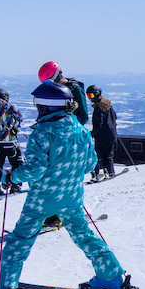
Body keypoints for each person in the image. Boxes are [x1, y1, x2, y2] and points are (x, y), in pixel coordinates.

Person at [0, 81, 139, 289]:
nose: (37, 110)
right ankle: (112, 277)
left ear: (46, 107)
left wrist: (10, 177)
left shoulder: (42, 133)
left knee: (19, 242)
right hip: (72, 196)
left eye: (38, 106)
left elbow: (35, 170)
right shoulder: (80, 130)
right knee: (83, 234)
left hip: (42, 199)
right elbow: (90, 164)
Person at [37, 61, 88, 230]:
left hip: (70, 140)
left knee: (65, 178)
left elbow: (83, 116)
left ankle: (63, 214)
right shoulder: (55, 91)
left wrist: (68, 126)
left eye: (49, 82)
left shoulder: (75, 90)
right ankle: (53, 215)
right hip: (56, 138)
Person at [87, 85, 118, 181]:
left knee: (98, 154)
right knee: (108, 154)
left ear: (96, 94)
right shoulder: (107, 104)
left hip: (102, 135)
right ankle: (110, 171)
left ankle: (97, 174)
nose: (90, 98)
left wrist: (92, 133)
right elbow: (115, 117)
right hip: (111, 133)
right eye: (88, 95)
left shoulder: (98, 108)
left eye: (91, 95)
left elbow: (98, 123)